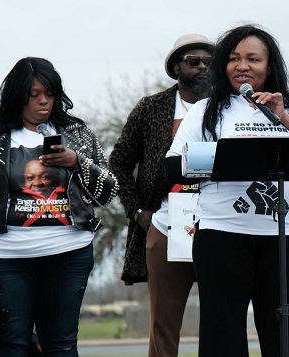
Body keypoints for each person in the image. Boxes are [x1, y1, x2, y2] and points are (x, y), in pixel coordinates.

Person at [164, 24, 289, 357]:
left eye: (253, 59)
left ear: (269, 66)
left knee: (283, 335)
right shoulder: (206, 111)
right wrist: (229, 159)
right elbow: (174, 166)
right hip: (221, 236)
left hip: (283, 239)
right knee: (222, 334)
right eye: (233, 58)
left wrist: (287, 119)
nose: (242, 66)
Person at [0, 57, 118, 356]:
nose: (44, 102)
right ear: (18, 96)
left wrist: (77, 162)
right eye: (34, 95)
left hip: (69, 254)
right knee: (10, 342)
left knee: (61, 344)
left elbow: (107, 191)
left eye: (50, 94)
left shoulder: (77, 135)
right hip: (6, 256)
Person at [109, 33, 213, 357]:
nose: (201, 68)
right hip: (166, 224)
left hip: (219, 223)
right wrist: (139, 213)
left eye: (208, 62)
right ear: (176, 67)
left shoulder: (227, 108)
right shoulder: (152, 108)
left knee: (220, 320)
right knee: (163, 326)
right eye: (193, 61)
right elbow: (119, 162)